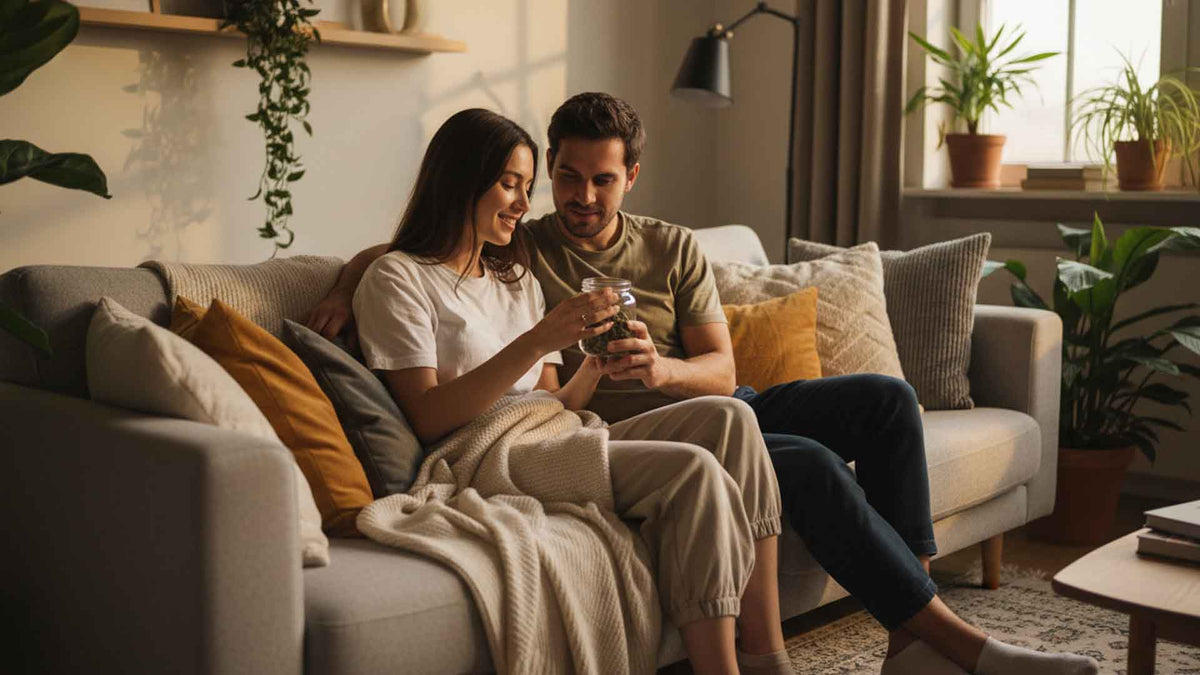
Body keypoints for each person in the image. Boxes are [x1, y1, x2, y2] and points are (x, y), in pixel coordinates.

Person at [312, 94, 1098, 675]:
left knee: (886, 402)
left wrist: (655, 367)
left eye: (602, 180)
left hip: (712, 401)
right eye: (561, 179)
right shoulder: (527, 250)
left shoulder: (663, 248)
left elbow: (721, 371)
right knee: (809, 467)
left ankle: (907, 637)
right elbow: (422, 252)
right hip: (583, 436)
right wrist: (350, 279)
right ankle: (806, 653)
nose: (579, 197)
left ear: (632, 176)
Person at [347, 107, 791, 675]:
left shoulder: (515, 277)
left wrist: (599, 362)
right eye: (510, 184)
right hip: (487, 454)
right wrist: (537, 341)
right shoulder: (400, 279)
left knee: (732, 419)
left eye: (527, 187)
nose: (522, 203)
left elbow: (559, 403)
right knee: (696, 473)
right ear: (461, 180)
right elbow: (429, 417)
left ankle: (767, 655)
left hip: (554, 431)